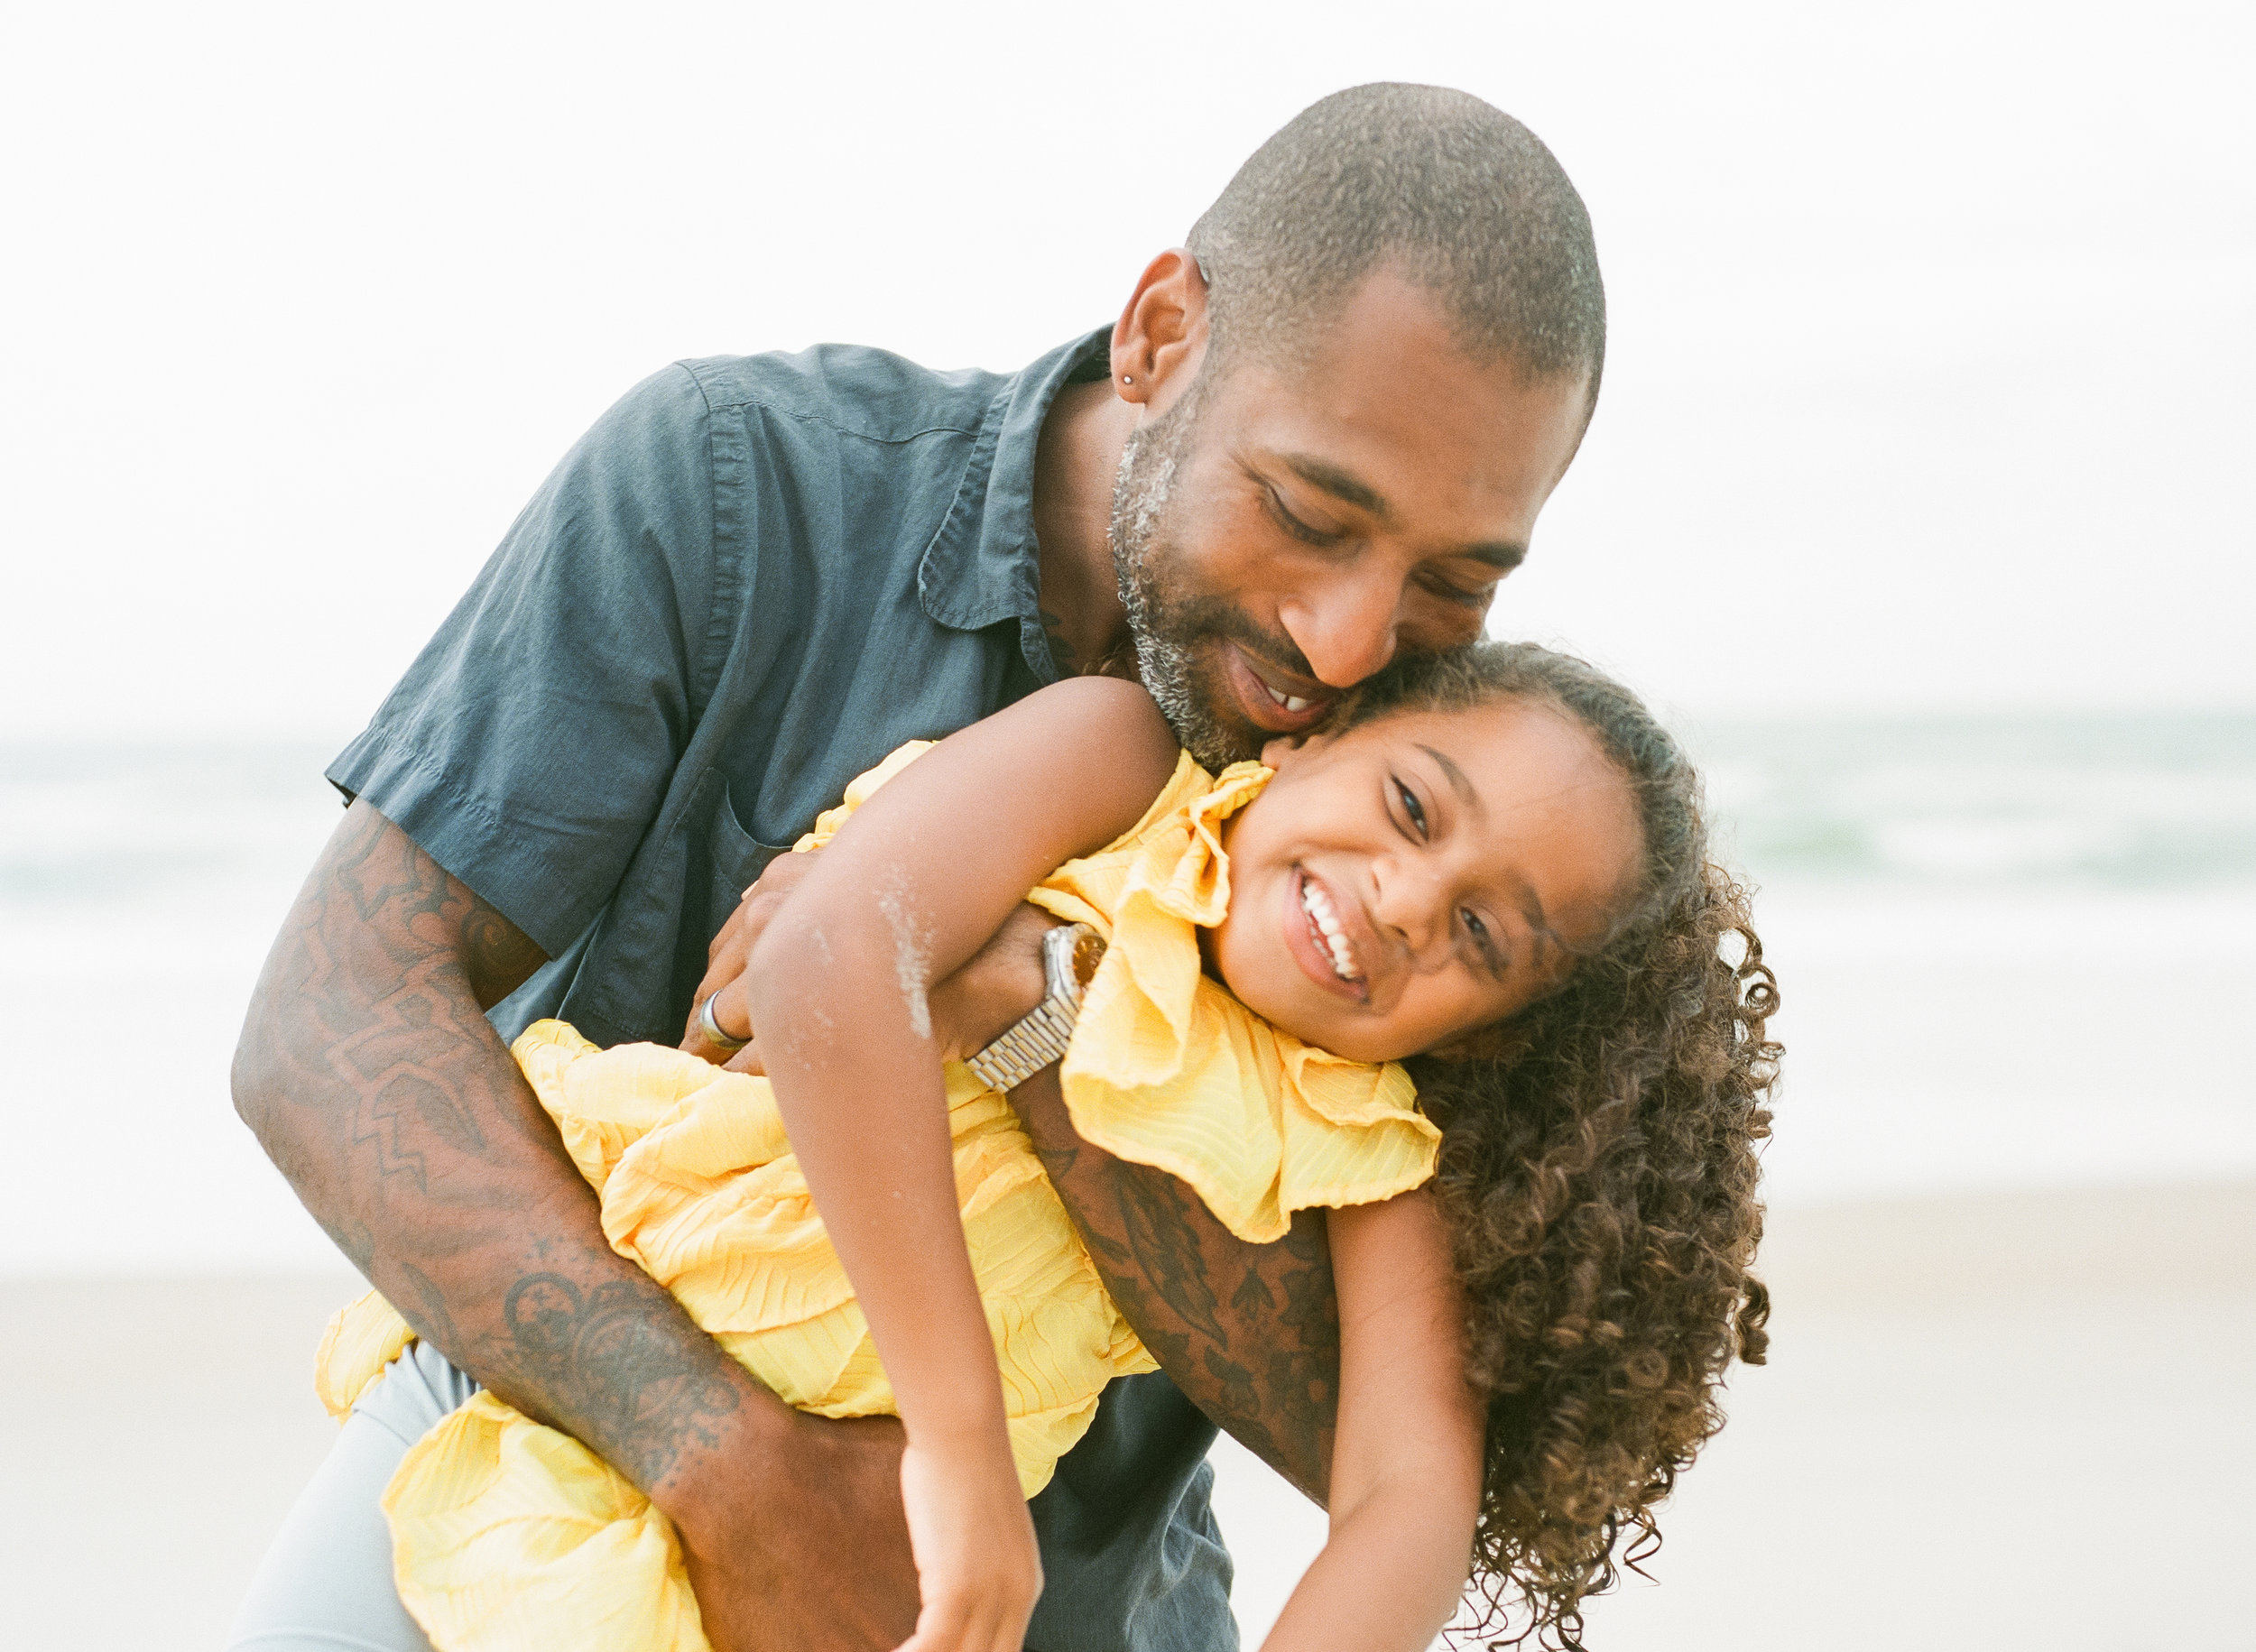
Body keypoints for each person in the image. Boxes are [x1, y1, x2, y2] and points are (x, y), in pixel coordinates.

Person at [229, 84, 1614, 1652]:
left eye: (1455, 580)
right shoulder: (741, 489)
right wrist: (737, 1478)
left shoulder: (1424, 808)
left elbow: (1382, 1431)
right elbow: (327, 1029)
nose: (1348, 637)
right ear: (1161, 332)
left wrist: (1039, 1016)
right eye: (1306, 512)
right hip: (555, 1517)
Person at [310, 642, 1775, 1652]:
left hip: (867, 1583)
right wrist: (955, 1451)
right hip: (562, 1375)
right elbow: (829, 954)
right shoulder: (1115, 771)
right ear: (1313, 735)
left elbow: (1409, 1509)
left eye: (1477, 933)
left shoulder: (1370, 1152)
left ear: (1486, 1037)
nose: (1403, 899)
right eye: (1410, 807)